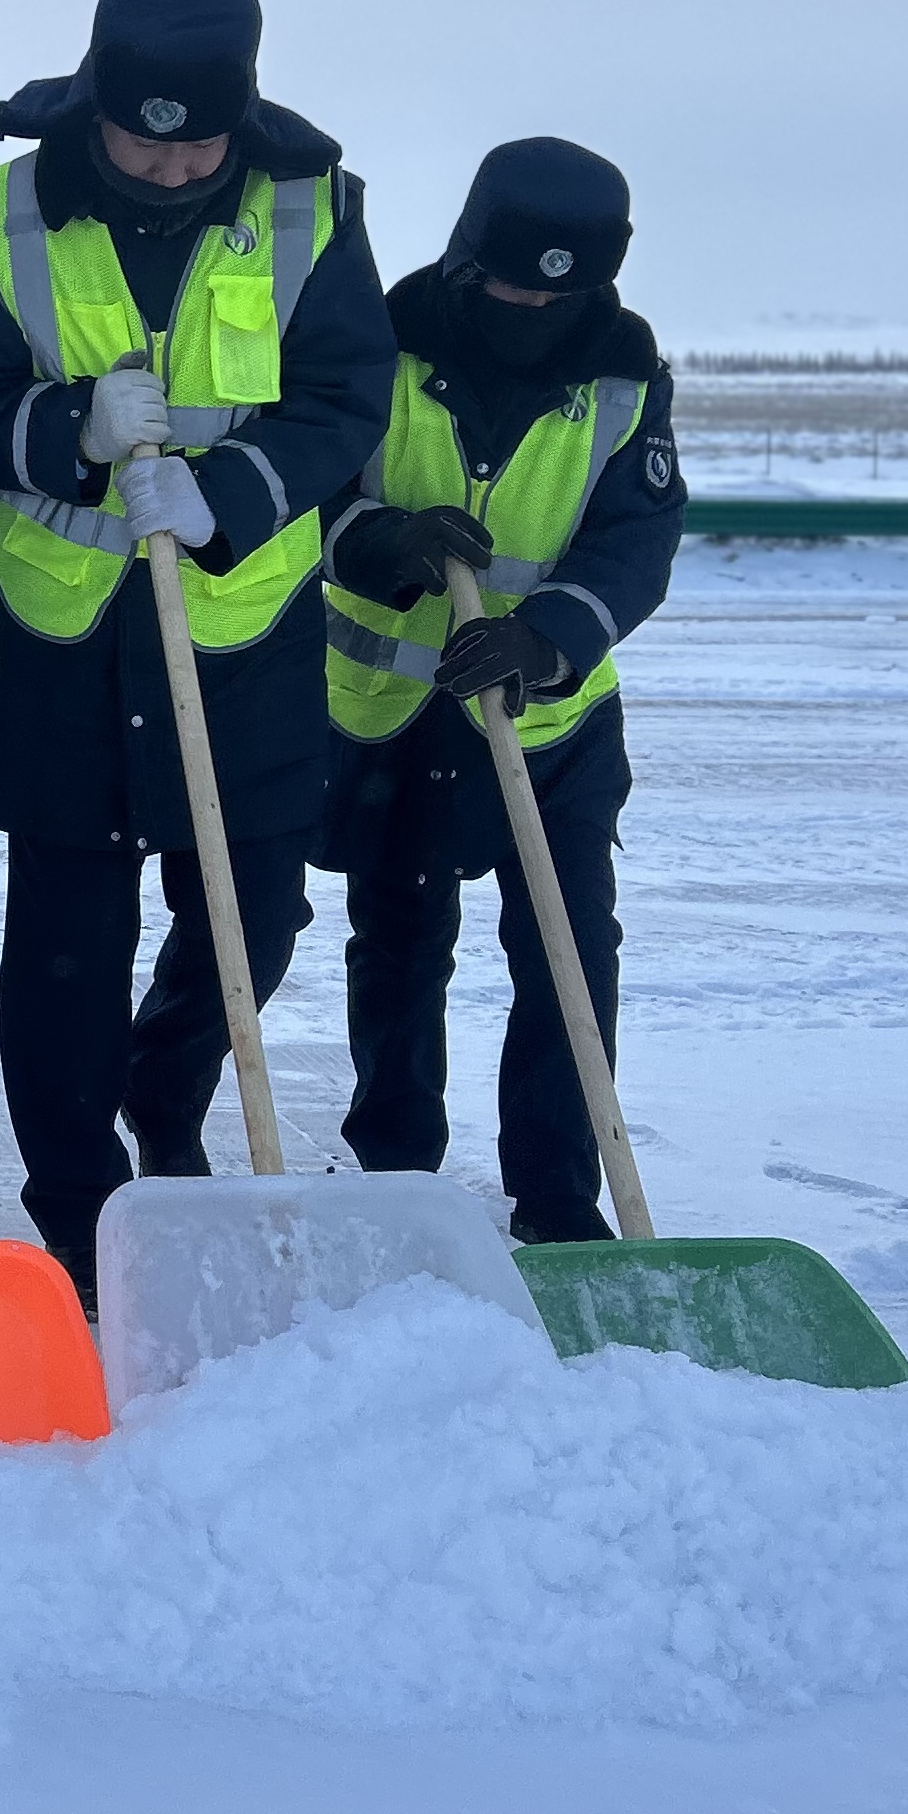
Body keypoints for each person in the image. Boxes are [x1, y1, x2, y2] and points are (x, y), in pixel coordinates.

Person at [0, 0, 395, 1305]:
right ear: (96, 107)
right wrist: (61, 429)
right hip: (67, 629)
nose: (177, 166)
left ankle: (169, 1089)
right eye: (148, 136)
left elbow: (348, 392)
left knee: (254, 912)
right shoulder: (0, 215)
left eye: (205, 144)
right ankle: (79, 1210)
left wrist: (232, 491)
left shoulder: (313, 210)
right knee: (64, 940)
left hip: (245, 622)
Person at [319, 137, 685, 1243]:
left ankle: (562, 1199)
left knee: (569, 951)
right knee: (399, 944)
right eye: (512, 284)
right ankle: (397, 1180)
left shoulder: (623, 377)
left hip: (551, 722)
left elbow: (637, 541)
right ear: (469, 260)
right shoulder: (377, 344)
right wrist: (385, 540)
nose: (531, 307)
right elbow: (312, 497)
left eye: (556, 291)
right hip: (390, 715)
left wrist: (548, 638)